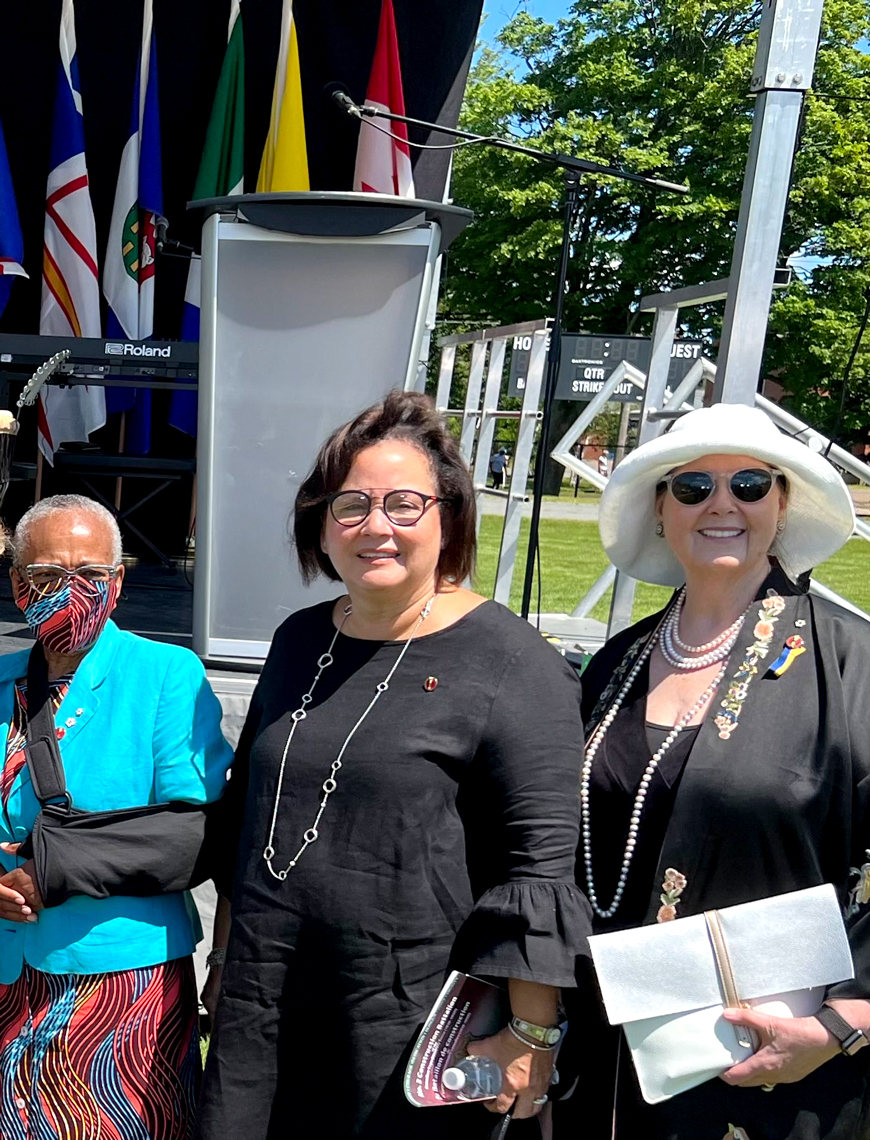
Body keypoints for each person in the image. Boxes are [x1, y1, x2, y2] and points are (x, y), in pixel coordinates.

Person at [196, 392, 589, 1140]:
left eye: (404, 504)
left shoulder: (514, 664)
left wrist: (532, 1036)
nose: (376, 525)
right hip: (266, 997)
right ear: (321, 523)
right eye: (351, 505)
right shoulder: (299, 637)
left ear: (449, 517)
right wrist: (225, 956)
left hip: (404, 1022)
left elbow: (539, 868)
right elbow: (254, 810)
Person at [553, 403, 870, 1140]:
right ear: (661, 509)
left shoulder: (852, 665)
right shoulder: (614, 666)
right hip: (605, 1062)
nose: (722, 503)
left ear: (782, 506)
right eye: (693, 486)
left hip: (776, 1069)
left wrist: (845, 1023)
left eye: (751, 484)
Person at [0, 494, 232, 1140]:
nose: (69, 593)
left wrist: (55, 867)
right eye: (47, 578)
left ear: (119, 582)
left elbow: (195, 833)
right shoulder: (0, 686)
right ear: (19, 585)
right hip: (8, 984)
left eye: (90, 577)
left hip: (125, 995)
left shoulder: (163, 676)